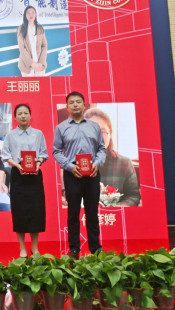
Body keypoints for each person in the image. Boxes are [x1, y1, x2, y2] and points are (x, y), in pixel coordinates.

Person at [53, 92, 106, 259]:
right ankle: (74, 248)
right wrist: (70, 166)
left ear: (84, 105)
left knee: (92, 213)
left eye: (78, 102)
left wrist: (97, 163)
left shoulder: (94, 126)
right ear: (67, 106)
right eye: (71, 102)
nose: (75, 105)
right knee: (73, 213)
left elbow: (101, 149)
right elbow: (56, 151)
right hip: (72, 175)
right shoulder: (61, 128)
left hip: (92, 174)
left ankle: (95, 248)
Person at [1, 104, 48, 257]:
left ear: (30, 115)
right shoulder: (10, 135)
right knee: (19, 212)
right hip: (18, 175)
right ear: (15, 117)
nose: (23, 116)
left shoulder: (38, 134)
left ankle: (35, 248)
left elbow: (43, 153)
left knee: (36, 211)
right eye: (20, 113)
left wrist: (38, 164)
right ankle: (22, 248)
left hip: (35, 176)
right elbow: (5, 156)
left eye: (25, 113)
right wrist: (18, 166)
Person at [84, 108, 141, 207]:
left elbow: (134, 196)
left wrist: (116, 209)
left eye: (102, 132)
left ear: (110, 134)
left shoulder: (125, 163)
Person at [17, 6, 47, 77]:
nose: (31, 15)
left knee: (41, 83)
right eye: (28, 13)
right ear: (25, 15)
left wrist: (41, 62)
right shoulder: (21, 29)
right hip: (26, 66)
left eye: (33, 13)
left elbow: (44, 45)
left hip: (40, 65)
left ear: (35, 15)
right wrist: (32, 64)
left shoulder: (40, 28)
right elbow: (22, 48)